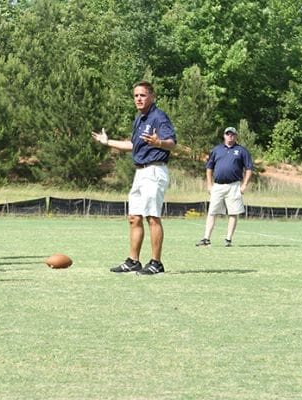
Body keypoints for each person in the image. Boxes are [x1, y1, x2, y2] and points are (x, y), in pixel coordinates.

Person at [92, 80, 176, 275]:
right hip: (140, 172)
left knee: (152, 217)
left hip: (154, 171)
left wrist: (159, 142)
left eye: (143, 95)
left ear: (152, 96)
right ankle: (133, 261)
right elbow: (133, 145)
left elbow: (171, 143)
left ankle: (156, 263)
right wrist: (107, 142)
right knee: (134, 217)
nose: (138, 98)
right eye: (136, 95)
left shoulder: (158, 117)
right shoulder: (139, 118)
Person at [196, 127, 254, 247]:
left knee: (233, 213)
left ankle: (228, 239)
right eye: (228, 134)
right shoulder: (217, 150)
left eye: (232, 135)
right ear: (224, 136)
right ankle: (206, 238)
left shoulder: (242, 150)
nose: (230, 137)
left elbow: (249, 169)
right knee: (212, 212)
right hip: (218, 186)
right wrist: (209, 184)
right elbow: (209, 167)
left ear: (235, 136)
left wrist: (244, 185)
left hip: (234, 185)